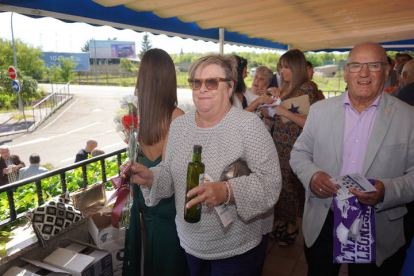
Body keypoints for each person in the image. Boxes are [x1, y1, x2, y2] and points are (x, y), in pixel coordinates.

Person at [127, 54, 282, 275]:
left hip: (236, 247)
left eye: (211, 82)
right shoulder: (180, 125)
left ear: (229, 87)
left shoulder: (248, 126)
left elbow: (270, 183)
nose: (202, 89)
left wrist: (227, 191)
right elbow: (169, 172)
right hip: (191, 242)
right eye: (196, 82)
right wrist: (151, 178)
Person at [290, 42, 414, 275]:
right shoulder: (320, 111)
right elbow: (299, 153)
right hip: (325, 217)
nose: (364, 73)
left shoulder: (409, 117)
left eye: (373, 65)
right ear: (346, 73)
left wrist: (385, 190)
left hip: (377, 223)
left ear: (387, 72)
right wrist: (313, 175)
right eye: (356, 65)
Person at [122, 48, 188, 276]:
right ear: (169, 79)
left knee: (151, 253)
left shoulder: (134, 115)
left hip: (144, 196)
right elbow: (171, 168)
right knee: (171, 259)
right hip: (169, 201)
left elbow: (133, 154)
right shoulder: (176, 116)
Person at [263, 49, 317, 247]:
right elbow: (270, 116)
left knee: (291, 188)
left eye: (286, 67)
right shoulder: (282, 89)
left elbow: (310, 123)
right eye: (280, 67)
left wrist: (283, 110)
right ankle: (281, 222)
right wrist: (269, 104)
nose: (282, 71)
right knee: (280, 186)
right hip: (277, 145)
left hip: (295, 147)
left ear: (296, 67)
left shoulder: (307, 88)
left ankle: (292, 226)